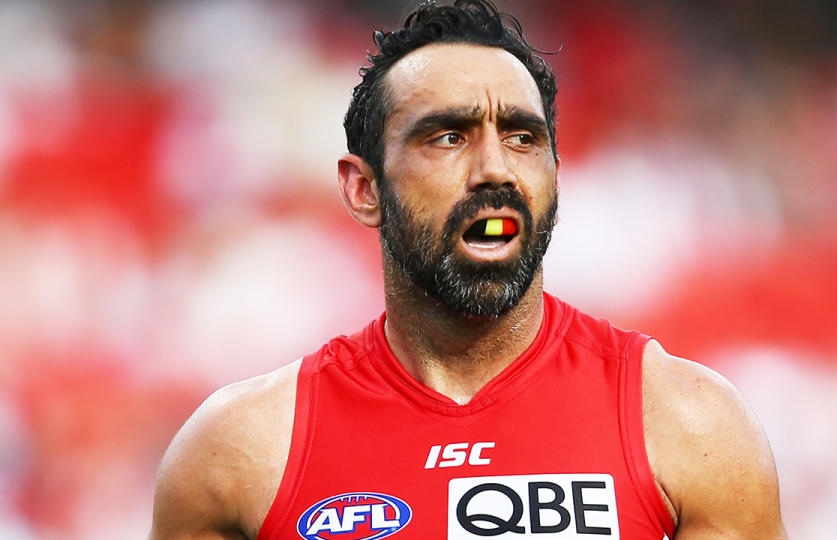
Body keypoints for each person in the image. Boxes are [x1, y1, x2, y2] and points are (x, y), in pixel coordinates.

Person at [149, 1, 788, 538]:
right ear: (364, 189)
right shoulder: (238, 453)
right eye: (448, 136)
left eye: (522, 138)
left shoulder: (689, 427)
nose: (496, 169)